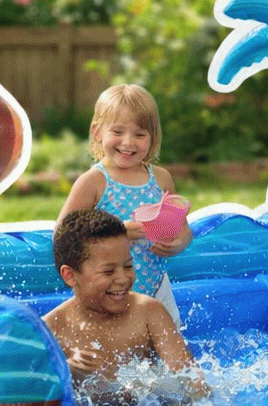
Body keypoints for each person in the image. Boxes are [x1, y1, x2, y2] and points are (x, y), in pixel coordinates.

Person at [44, 208, 207, 406]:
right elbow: (31, 394)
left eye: (128, 266)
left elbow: (191, 380)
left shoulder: (148, 312)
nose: (123, 279)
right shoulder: (52, 329)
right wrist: (64, 371)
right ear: (70, 275)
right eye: (108, 271)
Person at [60, 84, 192, 324]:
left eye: (140, 134)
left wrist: (179, 242)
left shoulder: (160, 179)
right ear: (98, 131)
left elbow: (182, 226)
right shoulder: (94, 181)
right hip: (106, 293)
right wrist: (118, 231)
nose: (128, 142)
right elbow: (64, 233)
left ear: (152, 138)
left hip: (157, 288)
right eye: (118, 132)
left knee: (170, 356)